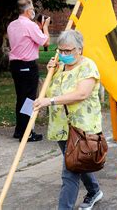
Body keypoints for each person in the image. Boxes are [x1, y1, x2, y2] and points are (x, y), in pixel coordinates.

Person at [33, 30, 104, 210]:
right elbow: (48, 92)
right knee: (77, 161)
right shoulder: (59, 68)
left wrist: (50, 101)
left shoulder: (88, 66)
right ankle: (94, 191)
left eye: (68, 51)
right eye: (61, 51)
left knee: (70, 172)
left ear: (79, 49)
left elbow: (82, 93)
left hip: (81, 127)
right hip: (61, 127)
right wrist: (51, 72)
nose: (64, 54)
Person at [7, 0, 50, 142]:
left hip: (15, 65)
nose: (34, 11)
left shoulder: (12, 25)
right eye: (32, 9)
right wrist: (45, 27)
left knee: (21, 98)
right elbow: (46, 41)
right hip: (27, 65)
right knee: (29, 100)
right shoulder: (30, 25)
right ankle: (27, 133)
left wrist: (37, 27)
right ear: (27, 10)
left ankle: (19, 130)